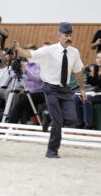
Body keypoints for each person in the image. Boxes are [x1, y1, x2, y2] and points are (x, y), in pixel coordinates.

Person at [14, 22, 87, 158]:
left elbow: (78, 72)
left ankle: (48, 115)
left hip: (65, 89)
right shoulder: (49, 50)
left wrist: (82, 89)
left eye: (70, 35)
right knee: (58, 122)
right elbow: (31, 54)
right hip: (50, 88)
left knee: (72, 119)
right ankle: (52, 150)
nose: (69, 38)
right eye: (66, 35)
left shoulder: (74, 52)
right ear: (59, 35)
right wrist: (19, 49)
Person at [7, 59, 45, 124]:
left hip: (40, 92)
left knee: (21, 103)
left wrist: (26, 71)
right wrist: (16, 69)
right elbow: (12, 76)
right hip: (29, 92)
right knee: (23, 99)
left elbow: (38, 79)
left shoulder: (39, 65)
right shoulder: (25, 65)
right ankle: (32, 119)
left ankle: (11, 123)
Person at [73, 51, 101, 129]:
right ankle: (79, 122)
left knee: (87, 99)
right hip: (93, 93)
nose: (99, 60)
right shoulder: (94, 68)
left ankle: (89, 124)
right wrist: (90, 75)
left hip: (99, 95)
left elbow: (99, 86)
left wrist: (94, 77)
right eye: (98, 58)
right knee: (75, 98)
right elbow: (90, 85)